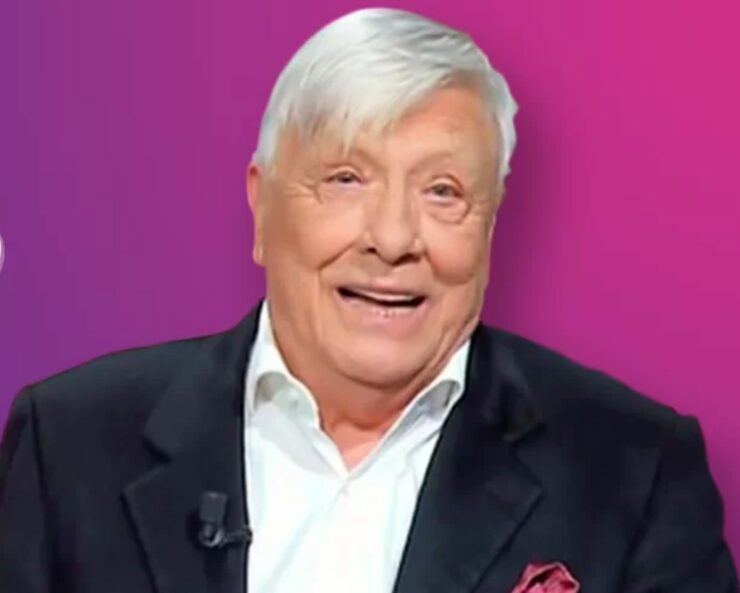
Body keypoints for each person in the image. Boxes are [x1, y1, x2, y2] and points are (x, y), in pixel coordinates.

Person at [0, 7, 736, 593]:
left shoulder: (634, 471)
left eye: (443, 192)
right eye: (346, 180)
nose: (392, 239)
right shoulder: (66, 446)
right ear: (261, 206)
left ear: (491, 223)